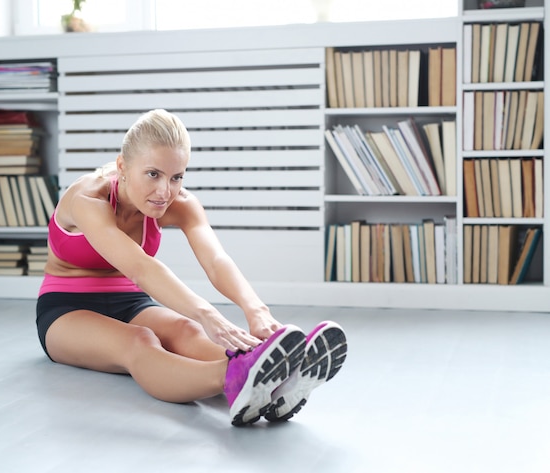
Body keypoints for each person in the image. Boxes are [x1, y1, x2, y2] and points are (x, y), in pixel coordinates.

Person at [36, 109, 347, 426]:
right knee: (139, 341)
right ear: (122, 167)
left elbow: (216, 260)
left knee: (186, 330)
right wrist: (208, 313)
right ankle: (232, 377)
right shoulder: (87, 198)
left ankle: (278, 379)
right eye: (153, 174)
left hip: (128, 302)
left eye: (176, 177)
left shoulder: (180, 203)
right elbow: (140, 268)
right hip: (65, 308)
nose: (165, 192)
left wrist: (256, 310)